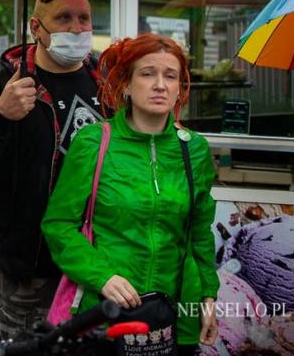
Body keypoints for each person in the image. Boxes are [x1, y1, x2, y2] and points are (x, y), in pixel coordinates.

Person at [42, 34, 219, 354]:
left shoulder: (195, 149)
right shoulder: (94, 142)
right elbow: (58, 225)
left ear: (180, 88)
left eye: (170, 76)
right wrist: (103, 276)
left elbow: (200, 234)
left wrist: (208, 297)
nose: (160, 85)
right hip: (104, 315)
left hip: (173, 318)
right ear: (125, 84)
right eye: (148, 73)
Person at [0, 0, 103, 337]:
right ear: (36, 27)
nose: (77, 28)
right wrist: (1, 115)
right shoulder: (7, 82)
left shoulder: (105, 80)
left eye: (84, 18)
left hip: (97, 260)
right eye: (64, 18)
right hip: (30, 269)